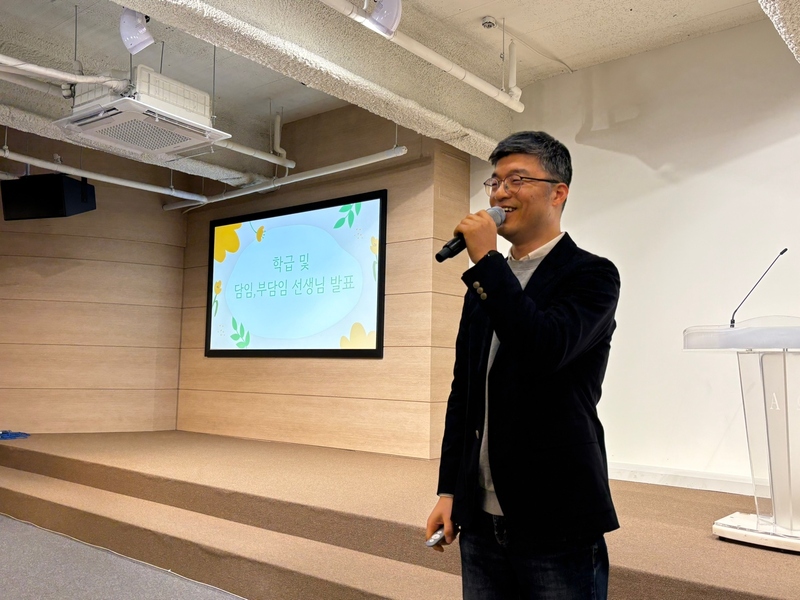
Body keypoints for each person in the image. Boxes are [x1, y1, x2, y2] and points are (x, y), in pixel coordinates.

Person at [425, 131, 620, 600]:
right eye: (494, 182)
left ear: (558, 192)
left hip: (556, 513)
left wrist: (486, 260)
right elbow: (464, 392)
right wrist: (450, 490)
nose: (499, 193)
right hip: (480, 519)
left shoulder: (592, 275)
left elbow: (543, 348)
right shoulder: (485, 283)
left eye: (517, 180)